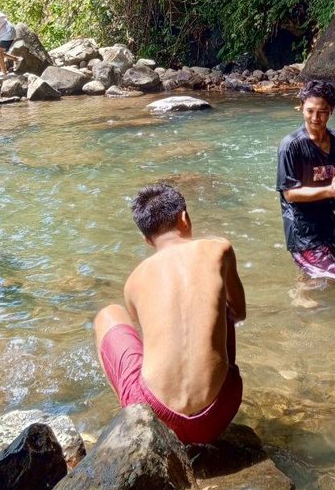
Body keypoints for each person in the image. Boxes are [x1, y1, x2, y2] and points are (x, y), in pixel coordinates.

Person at [94, 184, 245, 444]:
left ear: (146, 238)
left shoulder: (134, 281)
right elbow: (240, 312)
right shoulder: (220, 249)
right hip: (220, 411)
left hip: (156, 419)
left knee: (108, 314)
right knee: (224, 308)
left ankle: (133, 420)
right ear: (185, 218)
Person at [277, 80, 335, 280]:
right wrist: (330, 190)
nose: (315, 118)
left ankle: (299, 299)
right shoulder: (291, 146)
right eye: (310, 110)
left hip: (328, 223)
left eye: (322, 112)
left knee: (318, 278)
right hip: (301, 227)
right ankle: (301, 302)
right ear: (301, 107)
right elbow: (290, 193)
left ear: (332, 110)